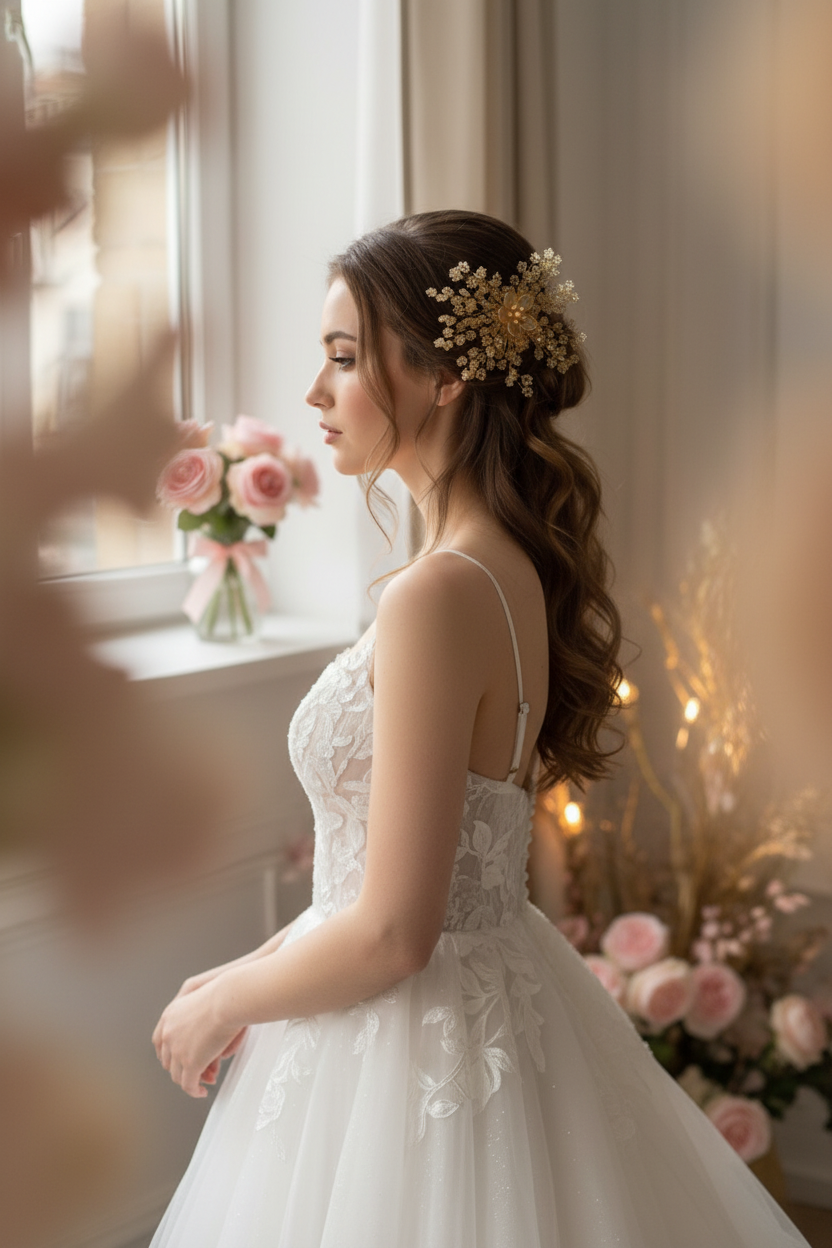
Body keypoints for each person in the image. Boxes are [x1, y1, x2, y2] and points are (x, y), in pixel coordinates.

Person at [150, 210, 809, 1247]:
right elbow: (399, 880)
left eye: (342, 358)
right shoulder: (499, 567)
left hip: (407, 1051)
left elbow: (396, 932)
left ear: (445, 374)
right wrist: (247, 967)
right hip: (487, 996)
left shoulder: (436, 594)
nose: (315, 393)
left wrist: (224, 1000)